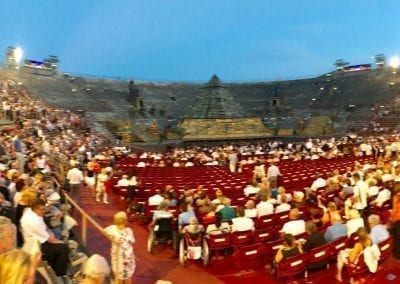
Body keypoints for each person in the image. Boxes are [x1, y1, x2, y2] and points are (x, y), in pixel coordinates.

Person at [20, 198, 70, 276]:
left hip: (38, 239)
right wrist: (60, 242)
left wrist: (50, 232)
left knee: (57, 239)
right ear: (35, 208)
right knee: (64, 247)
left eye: (44, 208)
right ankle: (60, 273)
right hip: (37, 246)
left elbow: (43, 225)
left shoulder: (30, 211)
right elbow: (50, 240)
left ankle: (55, 265)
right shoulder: (34, 223)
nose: (44, 211)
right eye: (42, 209)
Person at [104, 211, 135, 284]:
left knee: (119, 276)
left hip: (121, 257)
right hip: (124, 257)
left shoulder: (112, 229)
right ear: (125, 221)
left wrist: (112, 237)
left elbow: (105, 231)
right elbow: (132, 241)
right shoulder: (129, 231)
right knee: (126, 276)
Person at [390, 182, 400, 259]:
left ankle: (398, 255)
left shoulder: (396, 197)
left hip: (398, 219)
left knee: (397, 238)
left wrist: (392, 220)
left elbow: (395, 210)